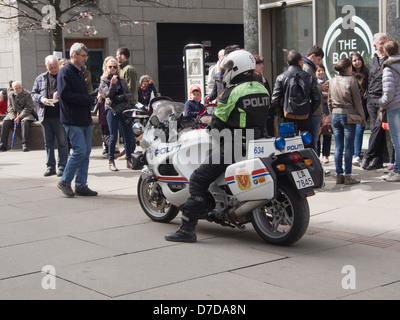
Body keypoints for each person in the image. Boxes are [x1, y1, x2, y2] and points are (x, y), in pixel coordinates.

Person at [165, 49, 270, 243]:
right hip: (258, 141)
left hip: (235, 145)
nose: (224, 73)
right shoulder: (261, 88)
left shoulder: (231, 92)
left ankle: (187, 229)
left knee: (197, 179)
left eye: (228, 68)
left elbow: (216, 124)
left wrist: (213, 130)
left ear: (237, 69)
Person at [57, 42, 97, 198]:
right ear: (74, 55)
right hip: (72, 119)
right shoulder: (65, 72)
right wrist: (87, 99)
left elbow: (80, 95)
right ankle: (65, 182)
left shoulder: (80, 72)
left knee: (85, 153)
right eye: (83, 56)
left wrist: (92, 97)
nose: (86, 59)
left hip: (84, 118)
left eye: (86, 56)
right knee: (79, 151)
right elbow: (65, 95)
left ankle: (81, 185)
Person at [328, 58, 366, 185]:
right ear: (348, 67)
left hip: (335, 115)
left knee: (338, 147)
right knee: (349, 147)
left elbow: (329, 101)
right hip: (348, 114)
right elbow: (357, 101)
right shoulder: (352, 80)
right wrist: (362, 117)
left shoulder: (332, 80)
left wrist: (331, 113)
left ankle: (339, 175)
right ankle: (348, 176)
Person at [271, 50, 321, 145]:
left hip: (288, 117)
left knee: (287, 146)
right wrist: (309, 111)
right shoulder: (309, 77)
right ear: (300, 61)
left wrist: (282, 113)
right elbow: (317, 98)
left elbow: (274, 100)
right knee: (307, 146)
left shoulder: (281, 77)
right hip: (306, 117)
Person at [31, 55, 69, 177]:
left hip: (60, 115)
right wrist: (42, 99)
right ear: (46, 67)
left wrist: (61, 94)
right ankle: (50, 166)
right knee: (48, 143)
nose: (53, 69)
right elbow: (33, 94)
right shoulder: (40, 78)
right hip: (45, 114)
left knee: (62, 142)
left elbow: (70, 92)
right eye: (51, 67)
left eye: (55, 67)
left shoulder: (63, 76)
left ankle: (62, 166)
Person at [99, 57, 134, 172]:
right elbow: (108, 94)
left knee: (128, 134)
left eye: (115, 67)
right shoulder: (104, 80)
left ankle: (129, 159)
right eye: (110, 67)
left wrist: (122, 97)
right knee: (113, 136)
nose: (113, 68)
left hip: (124, 109)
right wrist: (113, 84)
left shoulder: (122, 80)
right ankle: (111, 161)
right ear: (106, 68)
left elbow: (130, 94)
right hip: (112, 110)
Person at [361, 33, 388, 170]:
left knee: (378, 127)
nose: (384, 45)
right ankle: (378, 159)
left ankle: (367, 156)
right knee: (376, 129)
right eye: (381, 43)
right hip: (371, 98)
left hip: (383, 98)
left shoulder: (390, 59)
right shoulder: (373, 60)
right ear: (375, 45)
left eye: (385, 42)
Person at [379, 39, 400, 182]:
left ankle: (398, 170)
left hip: (395, 107)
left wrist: (381, 103)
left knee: (397, 140)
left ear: (385, 52)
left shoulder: (388, 68)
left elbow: (389, 93)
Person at [303, 45, 327, 153]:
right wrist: (320, 87)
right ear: (312, 56)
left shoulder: (308, 67)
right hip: (313, 109)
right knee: (313, 140)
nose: (318, 63)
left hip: (313, 109)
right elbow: (310, 87)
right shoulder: (307, 68)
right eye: (318, 60)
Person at [0, 81, 36, 152]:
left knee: (24, 122)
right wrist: (14, 117)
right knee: (5, 122)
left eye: (19, 88)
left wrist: (19, 117)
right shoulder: (10, 95)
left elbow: (29, 107)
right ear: (13, 88)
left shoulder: (27, 94)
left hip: (26, 114)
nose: (18, 90)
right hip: (13, 114)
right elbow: (9, 108)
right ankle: (3, 145)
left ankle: (24, 144)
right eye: (16, 88)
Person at [350, 52, 369, 166]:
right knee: (352, 131)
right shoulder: (349, 75)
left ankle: (357, 155)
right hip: (352, 106)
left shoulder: (367, 73)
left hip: (363, 105)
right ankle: (352, 154)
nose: (357, 62)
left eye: (358, 59)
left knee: (359, 130)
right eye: (354, 60)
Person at [316, 63, 332, 164]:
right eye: (318, 71)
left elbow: (331, 95)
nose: (321, 72)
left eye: (322, 70)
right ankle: (317, 154)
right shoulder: (314, 83)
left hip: (326, 110)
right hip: (317, 110)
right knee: (317, 135)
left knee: (327, 133)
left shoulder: (329, 82)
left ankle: (326, 155)